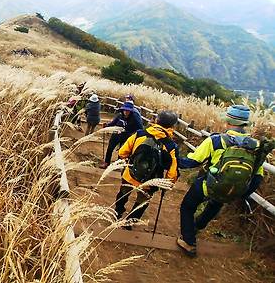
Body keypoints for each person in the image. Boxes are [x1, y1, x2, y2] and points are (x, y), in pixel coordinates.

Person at [176, 105, 268, 257]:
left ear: (228, 122)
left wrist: (172, 160)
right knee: (216, 203)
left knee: (187, 206)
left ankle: (188, 241)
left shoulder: (216, 140)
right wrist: (242, 193)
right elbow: (258, 176)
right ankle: (198, 226)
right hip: (233, 189)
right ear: (245, 124)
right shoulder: (256, 146)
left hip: (209, 185)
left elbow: (192, 162)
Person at [114, 111, 180, 228]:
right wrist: (168, 183)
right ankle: (130, 222)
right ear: (172, 127)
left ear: (156, 121)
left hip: (130, 174)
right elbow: (172, 171)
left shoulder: (139, 134)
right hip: (151, 181)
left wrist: (127, 164)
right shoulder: (171, 146)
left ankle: (117, 214)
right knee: (142, 201)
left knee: (123, 194)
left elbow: (122, 152)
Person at [100, 101, 145, 169]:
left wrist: (134, 135)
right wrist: (107, 125)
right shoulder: (120, 116)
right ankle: (106, 162)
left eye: (128, 111)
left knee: (122, 151)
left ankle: (117, 164)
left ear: (131, 111)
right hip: (116, 134)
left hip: (126, 136)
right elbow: (113, 123)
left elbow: (140, 129)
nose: (126, 112)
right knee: (110, 148)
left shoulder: (135, 119)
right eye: (125, 110)